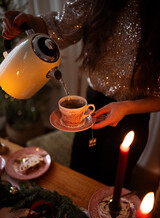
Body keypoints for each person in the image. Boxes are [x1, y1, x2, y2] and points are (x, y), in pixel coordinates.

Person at [2, 0, 160, 188]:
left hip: (133, 114)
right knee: (78, 174)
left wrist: (127, 107)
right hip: (91, 103)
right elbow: (63, 29)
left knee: (112, 186)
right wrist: (29, 22)